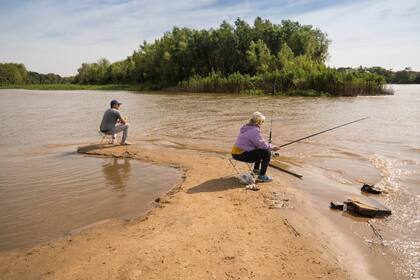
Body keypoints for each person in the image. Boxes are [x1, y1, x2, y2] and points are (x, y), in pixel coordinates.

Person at [231, 111, 279, 182]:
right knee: (267, 153)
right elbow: (262, 145)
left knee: (260, 149)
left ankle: (256, 170)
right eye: (262, 121)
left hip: (235, 153)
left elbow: (259, 144)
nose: (262, 123)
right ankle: (262, 176)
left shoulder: (246, 127)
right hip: (240, 154)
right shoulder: (254, 130)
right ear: (258, 121)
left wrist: (269, 146)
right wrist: (273, 147)